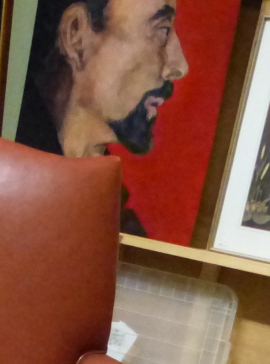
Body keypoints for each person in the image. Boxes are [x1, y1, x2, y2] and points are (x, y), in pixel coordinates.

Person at [16, 0, 190, 234]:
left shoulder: (107, 212)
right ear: (76, 36)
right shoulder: (1, 186)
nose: (180, 66)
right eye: (162, 29)